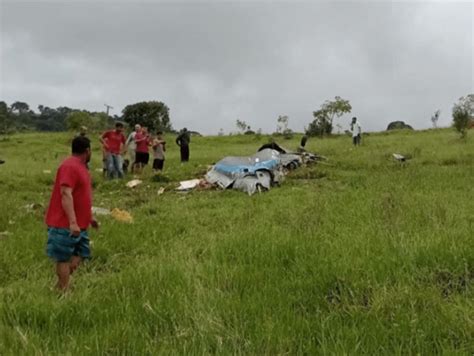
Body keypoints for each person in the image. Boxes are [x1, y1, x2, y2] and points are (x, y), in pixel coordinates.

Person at [45, 136, 98, 291]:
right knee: (63, 258)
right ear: (87, 151)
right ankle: (64, 290)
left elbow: (81, 195)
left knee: (80, 255)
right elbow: (65, 194)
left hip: (81, 223)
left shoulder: (82, 167)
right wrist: (72, 222)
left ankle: (60, 286)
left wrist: (90, 217)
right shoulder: (69, 166)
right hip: (64, 223)